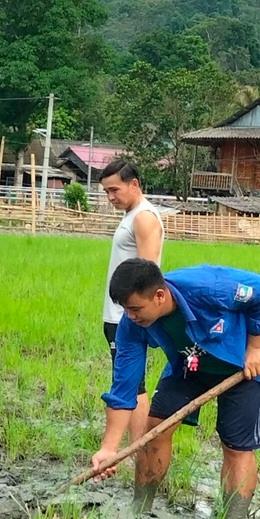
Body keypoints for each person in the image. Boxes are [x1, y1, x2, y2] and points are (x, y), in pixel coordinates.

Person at [94, 258, 260, 519]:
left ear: (159, 296)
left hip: (241, 364)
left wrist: (255, 347)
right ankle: (141, 511)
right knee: (156, 429)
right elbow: (124, 389)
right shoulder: (132, 326)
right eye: (125, 309)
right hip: (189, 363)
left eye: (135, 308)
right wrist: (109, 448)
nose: (131, 316)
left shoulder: (210, 287)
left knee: (235, 447)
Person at [99, 160, 163, 456]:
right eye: (106, 192)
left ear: (134, 184)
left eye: (115, 190)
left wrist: (131, 315)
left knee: (133, 385)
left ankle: (138, 452)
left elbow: (146, 274)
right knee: (132, 384)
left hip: (128, 317)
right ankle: (136, 451)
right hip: (118, 315)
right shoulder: (131, 215)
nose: (111, 197)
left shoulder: (144, 218)